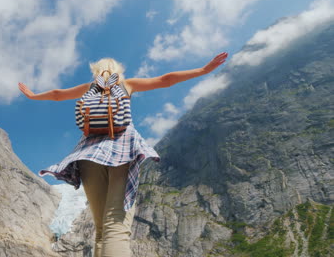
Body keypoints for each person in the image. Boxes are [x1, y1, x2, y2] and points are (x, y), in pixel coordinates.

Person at [19, 52, 227, 257]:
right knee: (116, 225)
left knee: (101, 230)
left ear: (95, 71)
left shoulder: (88, 89)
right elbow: (166, 80)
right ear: (118, 71)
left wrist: (33, 95)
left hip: (87, 156)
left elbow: (57, 94)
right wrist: (203, 70)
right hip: (121, 151)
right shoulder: (126, 85)